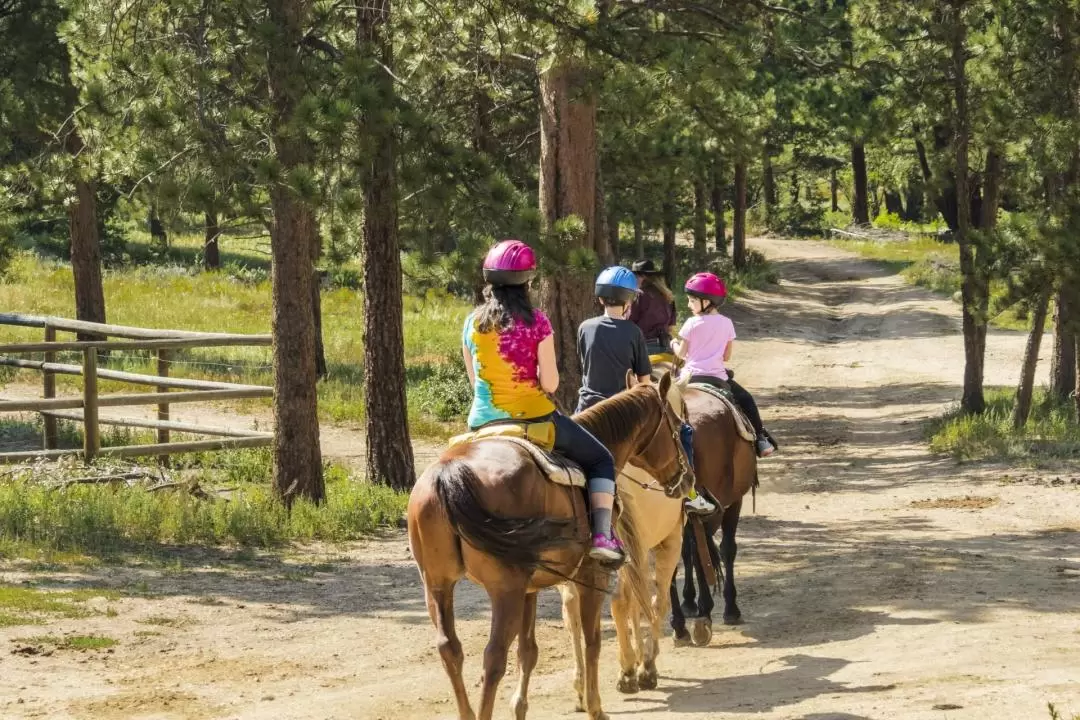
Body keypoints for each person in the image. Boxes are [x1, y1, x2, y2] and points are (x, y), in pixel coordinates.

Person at [461, 239, 624, 563]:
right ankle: (603, 535)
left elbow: (475, 380)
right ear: (528, 283)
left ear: (489, 281)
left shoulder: (472, 323)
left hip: (481, 420)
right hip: (533, 418)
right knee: (601, 459)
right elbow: (550, 383)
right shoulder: (538, 323)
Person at [577, 266, 716, 515]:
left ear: (599, 298)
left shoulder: (585, 327)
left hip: (587, 406)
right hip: (623, 413)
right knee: (681, 429)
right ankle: (690, 493)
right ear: (629, 301)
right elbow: (642, 381)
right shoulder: (632, 332)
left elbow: (584, 366)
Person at [672, 272, 777, 458]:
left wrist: (673, 344)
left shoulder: (691, 323)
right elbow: (727, 356)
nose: (689, 305)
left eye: (692, 300)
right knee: (746, 400)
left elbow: (681, 354)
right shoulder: (727, 323)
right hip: (718, 378)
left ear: (707, 301)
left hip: (688, 377)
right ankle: (761, 438)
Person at [629, 259, 678, 358]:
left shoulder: (639, 295)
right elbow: (671, 327)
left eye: (634, 277)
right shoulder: (667, 295)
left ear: (642, 277)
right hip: (666, 346)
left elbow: (629, 325)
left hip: (644, 347)